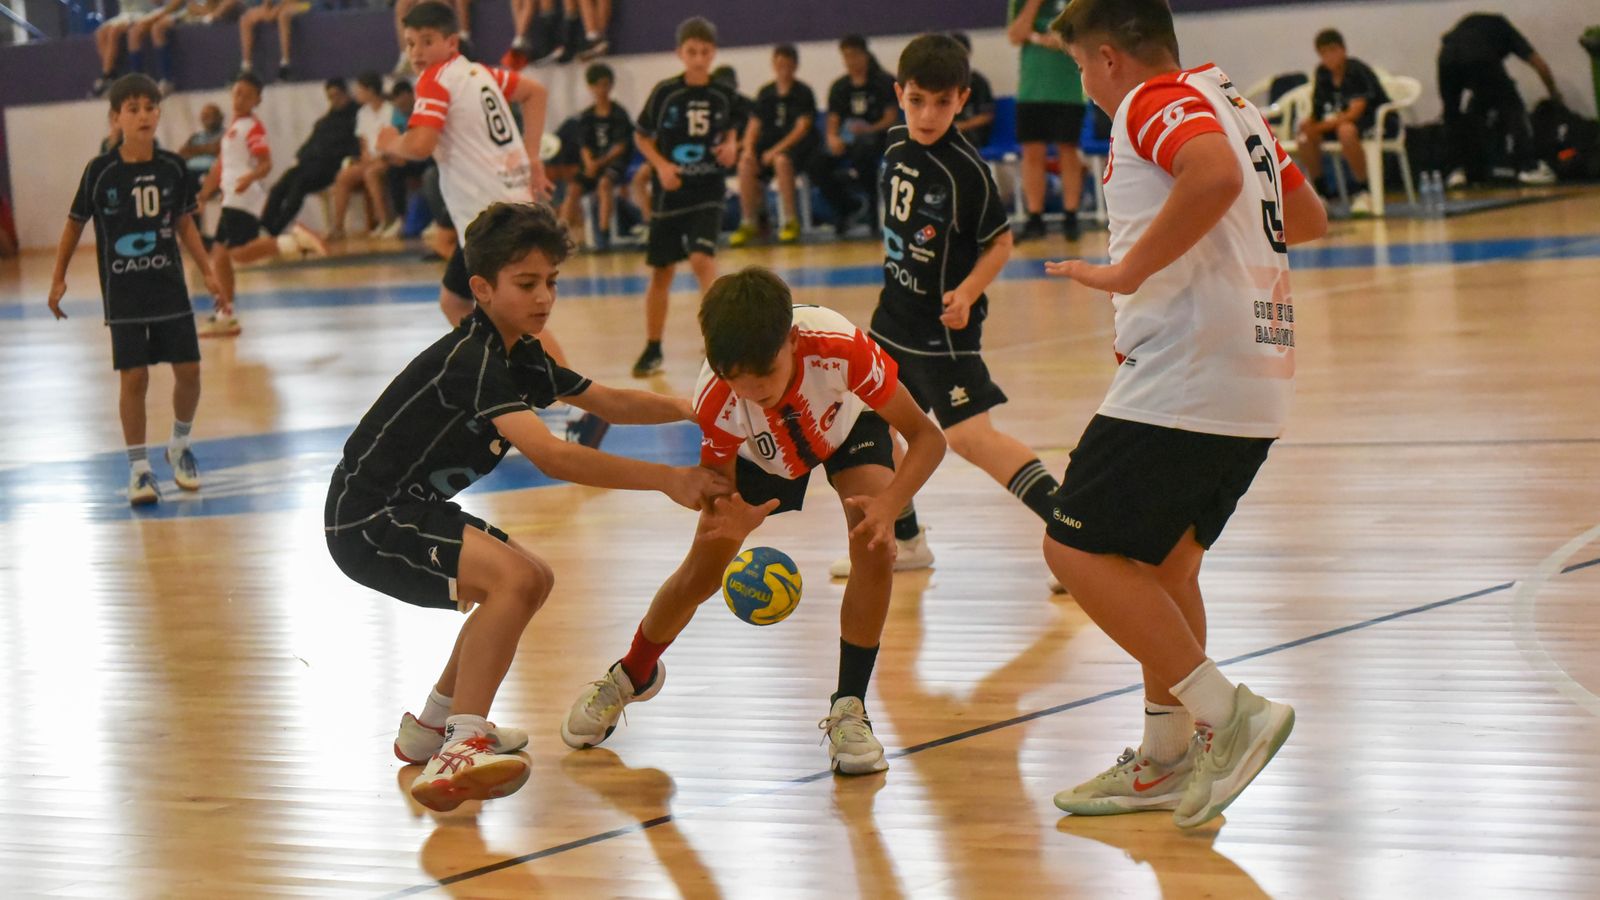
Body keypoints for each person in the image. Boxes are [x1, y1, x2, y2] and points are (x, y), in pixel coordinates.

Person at [325, 201, 726, 812]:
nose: (544, 298)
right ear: (481, 289)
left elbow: (609, 402)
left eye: (552, 283)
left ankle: (431, 725)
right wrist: (668, 478)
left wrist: (690, 404)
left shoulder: (520, 353)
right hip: (368, 519)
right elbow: (554, 457)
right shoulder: (475, 363)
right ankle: (464, 741)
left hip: (402, 506)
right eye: (527, 284)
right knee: (511, 580)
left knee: (534, 579)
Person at [1042, 0, 1327, 828]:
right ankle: (1166, 758)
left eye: (1078, 68)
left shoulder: (1154, 99)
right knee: (1166, 569)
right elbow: (1304, 217)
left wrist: (1130, 270)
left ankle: (1226, 715)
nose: (1085, 86)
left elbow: (1212, 176)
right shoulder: (1232, 101)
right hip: (1257, 373)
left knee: (1072, 545)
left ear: (1106, 59)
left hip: (1188, 373)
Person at [558, 267, 947, 775]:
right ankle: (631, 673)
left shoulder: (840, 346)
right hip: (761, 455)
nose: (756, 391)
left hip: (846, 427)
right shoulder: (719, 399)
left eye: (766, 376)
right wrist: (729, 522)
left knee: (875, 546)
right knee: (702, 567)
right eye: (740, 383)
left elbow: (928, 438)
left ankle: (849, 707)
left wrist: (891, 504)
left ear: (792, 340)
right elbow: (717, 487)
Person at [828, 34, 1060, 583]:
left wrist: (969, 291)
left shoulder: (967, 170)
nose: (928, 114)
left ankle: (1079, 534)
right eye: (916, 101)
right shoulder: (891, 145)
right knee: (868, 422)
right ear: (899, 94)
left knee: (970, 438)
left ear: (961, 99)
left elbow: (1000, 242)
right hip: (892, 319)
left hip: (942, 333)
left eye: (942, 102)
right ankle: (906, 541)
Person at [48, 75, 227, 506]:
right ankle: (139, 469)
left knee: (189, 371)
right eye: (133, 109)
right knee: (135, 377)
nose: (144, 115)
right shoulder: (100, 171)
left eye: (150, 107)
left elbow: (184, 223)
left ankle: (179, 446)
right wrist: (58, 276)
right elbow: (75, 223)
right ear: (116, 119)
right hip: (124, 292)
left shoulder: (172, 167)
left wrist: (207, 271)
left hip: (169, 288)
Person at [378, 1, 554, 327]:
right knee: (456, 301)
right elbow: (535, 93)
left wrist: (390, 143)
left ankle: (558, 379)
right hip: (507, 206)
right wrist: (532, 158)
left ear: (451, 42)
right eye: (411, 43)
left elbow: (419, 145)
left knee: (515, 319)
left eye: (427, 41)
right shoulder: (479, 73)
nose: (417, 52)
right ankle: (503, 374)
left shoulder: (435, 80)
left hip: (491, 216)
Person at [628, 16, 740, 378]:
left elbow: (739, 123)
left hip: (708, 189)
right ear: (680, 53)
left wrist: (733, 145)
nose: (698, 58)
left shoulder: (723, 93)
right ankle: (653, 346)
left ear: (712, 54)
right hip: (670, 194)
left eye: (704, 51)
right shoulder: (665, 92)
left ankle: (719, 346)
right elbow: (641, 135)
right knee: (662, 272)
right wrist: (660, 165)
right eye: (692, 51)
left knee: (702, 260)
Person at [197, 73, 327, 337]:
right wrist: (202, 195)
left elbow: (266, 163)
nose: (239, 98)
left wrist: (249, 178)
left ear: (257, 99)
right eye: (236, 93)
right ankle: (226, 314)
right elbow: (220, 166)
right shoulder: (233, 127)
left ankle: (293, 241)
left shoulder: (253, 128)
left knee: (238, 254)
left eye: (246, 94)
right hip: (232, 196)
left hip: (243, 196)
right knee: (220, 255)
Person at [1438, 12, 1562, 187]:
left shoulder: (1476, 24)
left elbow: (1481, 89)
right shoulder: (1506, 31)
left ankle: (1457, 170)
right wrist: (1554, 94)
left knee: (1451, 114)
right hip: (1479, 55)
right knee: (1513, 107)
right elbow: (1540, 65)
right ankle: (1528, 167)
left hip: (1446, 55)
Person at [1007, 0, 1086, 241]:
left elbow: (1081, 37)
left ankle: (1071, 216)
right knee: (1032, 153)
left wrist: (1047, 39)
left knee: (1068, 151)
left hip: (1069, 89)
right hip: (1032, 90)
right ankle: (1035, 217)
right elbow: (1015, 35)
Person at [730, 43, 819, 247]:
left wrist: (775, 150)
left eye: (788, 64)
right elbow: (754, 124)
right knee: (745, 164)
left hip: (796, 149)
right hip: (767, 146)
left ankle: (789, 221)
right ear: (774, 65)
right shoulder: (766, 92)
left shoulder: (803, 92)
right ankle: (748, 222)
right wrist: (749, 150)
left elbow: (801, 128)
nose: (783, 69)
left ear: (795, 66)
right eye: (780, 64)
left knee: (781, 161)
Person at [1295, 29, 1390, 215]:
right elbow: (1318, 111)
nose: (1329, 57)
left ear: (1343, 50)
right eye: (1323, 53)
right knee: (1305, 135)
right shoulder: (1322, 74)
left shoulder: (1357, 71)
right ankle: (1322, 193)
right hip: (1336, 125)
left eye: (1333, 50)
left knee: (1346, 131)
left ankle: (1363, 190)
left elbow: (1355, 113)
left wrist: (1319, 127)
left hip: (1373, 124)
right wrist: (1309, 125)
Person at [811, 34, 898, 236]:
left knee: (863, 153)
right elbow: (833, 120)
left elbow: (890, 117)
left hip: (878, 136)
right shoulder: (840, 87)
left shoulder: (883, 81)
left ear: (865, 55)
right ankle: (846, 207)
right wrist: (833, 138)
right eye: (846, 56)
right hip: (848, 139)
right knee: (816, 163)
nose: (851, 61)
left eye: (855, 55)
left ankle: (873, 209)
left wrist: (868, 129)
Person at [559, 63, 633, 250]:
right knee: (574, 188)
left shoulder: (619, 113)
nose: (602, 90)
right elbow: (584, 146)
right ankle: (559, 235)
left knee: (604, 184)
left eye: (605, 84)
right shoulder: (587, 116)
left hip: (613, 164)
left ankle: (603, 234)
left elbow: (620, 147)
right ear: (590, 87)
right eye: (598, 85)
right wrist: (590, 164)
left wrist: (598, 163)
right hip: (593, 165)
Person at [330, 71, 398, 240]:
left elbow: (394, 140)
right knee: (344, 176)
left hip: (388, 158)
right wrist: (366, 157)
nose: (357, 94)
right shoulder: (362, 113)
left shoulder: (390, 110)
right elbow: (363, 143)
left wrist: (378, 158)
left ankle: (385, 221)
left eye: (360, 90)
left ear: (371, 90)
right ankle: (337, 227)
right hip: (370, 159)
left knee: (371, 173)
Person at [238, 0, 309, 83]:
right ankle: (246, 68)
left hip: (304, 5)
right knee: (245, 19)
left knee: (284, 15)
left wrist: (277, 9)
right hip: (277, 8)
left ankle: (285, 66)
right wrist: (267, 9)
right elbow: (267, 5)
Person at [950, 32, 996, 148]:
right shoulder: (942, 83)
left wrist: (961, 126)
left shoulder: (979, 82)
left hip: (973, 134)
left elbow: (986, 115)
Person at [178, 103, 225, 206]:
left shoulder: (226, 134)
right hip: (190, 172)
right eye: (203, 115)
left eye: (209, 115)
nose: (205, 118)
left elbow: (217, 149)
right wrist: (207, 148)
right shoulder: (196, 136)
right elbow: (182, 153)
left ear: (219, 117)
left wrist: (194, 150)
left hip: (210, 172)